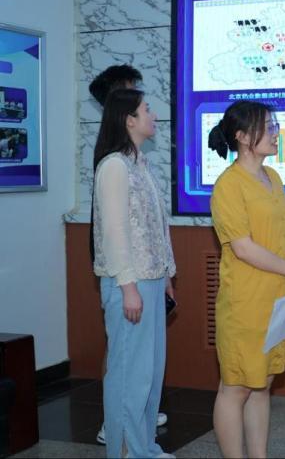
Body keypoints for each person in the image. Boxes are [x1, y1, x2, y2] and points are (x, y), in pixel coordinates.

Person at [207, 100, 285, 458]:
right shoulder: (228, 185)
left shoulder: (273, 177)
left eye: (274, 125)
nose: (275, 133)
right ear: (241, 136)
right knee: (235, 387)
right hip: (246, 302)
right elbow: (243, 248)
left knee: (262, 383)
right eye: (267, 127)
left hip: (278, 298)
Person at [87, 65, 169, 445]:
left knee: (149, 372)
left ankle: (145, 447)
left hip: (151, 278)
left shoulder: (140, 164)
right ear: (129, 119)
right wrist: (128, 287)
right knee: (127, 374)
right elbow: (115, 232)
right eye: (146, 109)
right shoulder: (114, 166)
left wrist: (166, 275)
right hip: (129, 282)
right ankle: (124, 450)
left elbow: (155, 226)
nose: (154, 115)